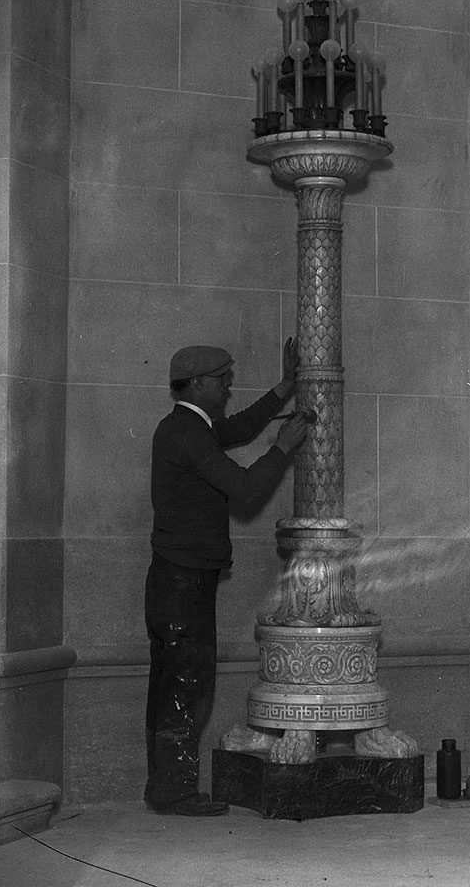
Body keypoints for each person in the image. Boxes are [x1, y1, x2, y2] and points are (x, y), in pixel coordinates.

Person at [144, 338, 309, 816]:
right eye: (222, 379)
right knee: (187, 686)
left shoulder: (187, 427)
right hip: (184, 584)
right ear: (197, 384)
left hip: (175, 580)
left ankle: (163, 787)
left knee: (172, 684)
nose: (228, 386)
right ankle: (175, 792)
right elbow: (244, 488)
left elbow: (236, 428)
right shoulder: (188, 435)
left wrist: (283, 389)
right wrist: (282, 449)